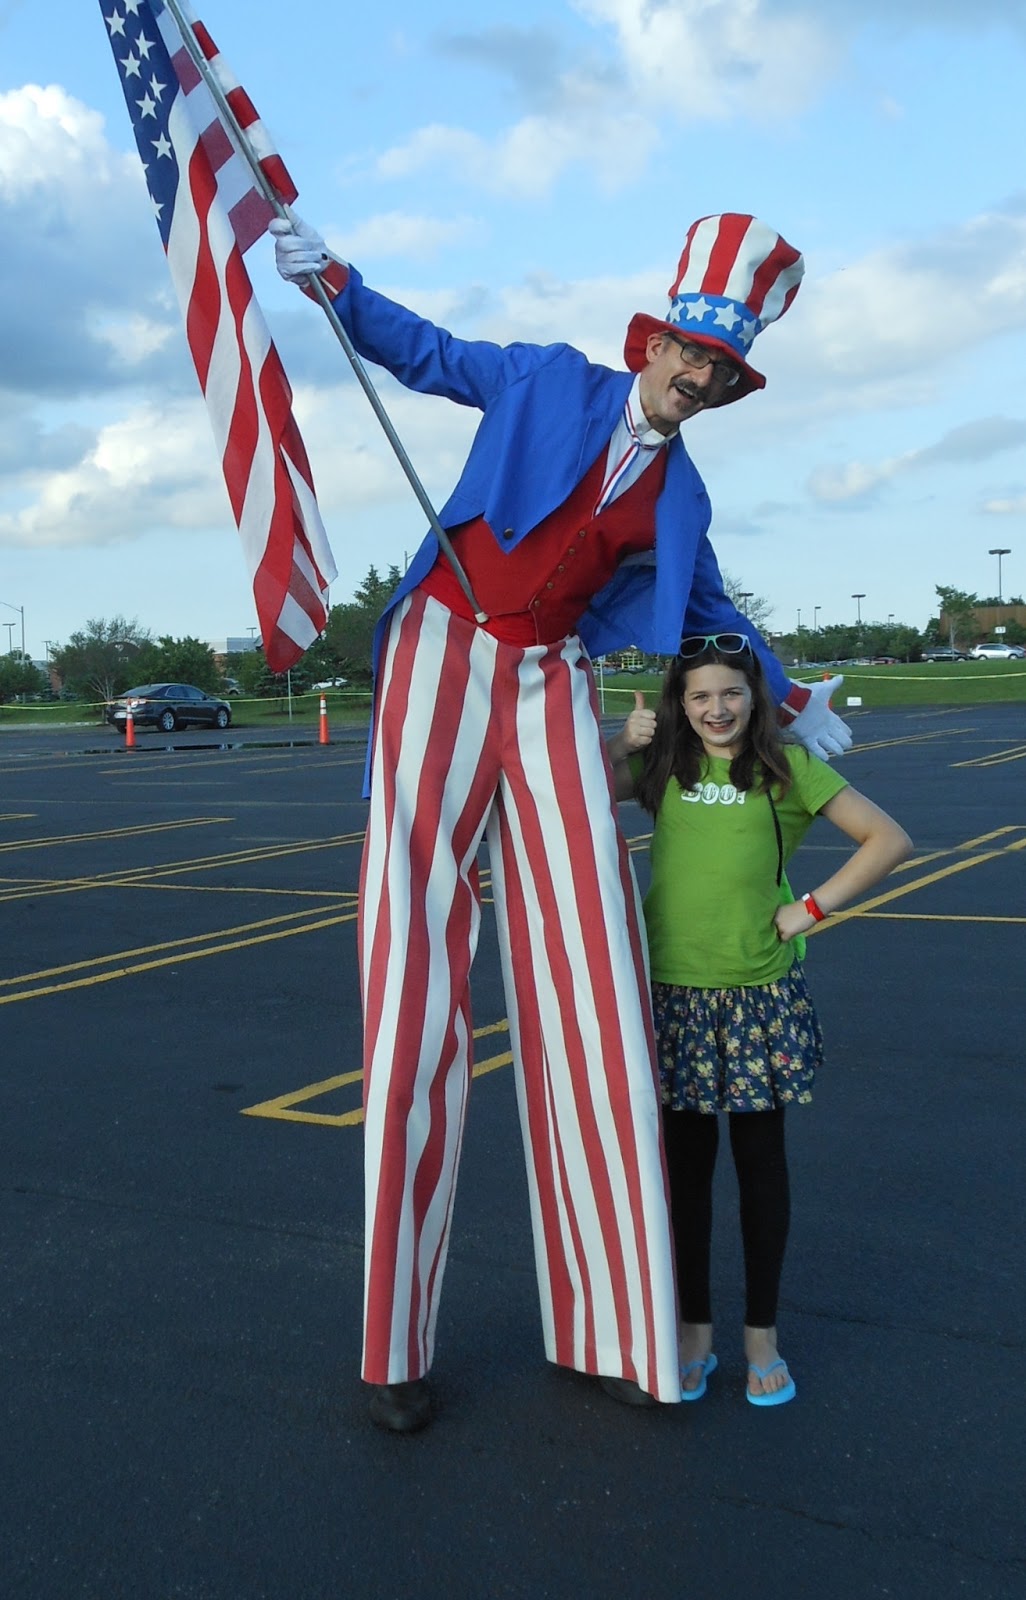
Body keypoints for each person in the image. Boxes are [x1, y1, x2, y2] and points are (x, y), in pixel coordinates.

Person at [271, 209, 853, 1432]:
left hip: (548, 678)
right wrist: (336, 280)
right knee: (412, 988)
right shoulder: (545, 380)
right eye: (694, 352)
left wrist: (790, 696)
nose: (701, 377)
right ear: (656, 340)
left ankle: (616, 1327)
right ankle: (393, 1348)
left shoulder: (682, 489)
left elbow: (708, 607)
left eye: (725, 371)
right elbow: (423, 352)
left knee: (596, 985)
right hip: (440, 644)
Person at [607, 635, 910, 1405]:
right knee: (686, 1176)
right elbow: (579, 794)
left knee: (760, 1171)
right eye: (700, 695)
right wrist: (623, 744)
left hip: (753, 998)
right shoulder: (664, 766)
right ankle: (694, 1334)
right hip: (673, 993)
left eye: (732, 694)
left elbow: (888, 839)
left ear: (755, 699)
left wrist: (808, 910)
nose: (717, 709)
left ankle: (761, 1338)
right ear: (681, 702)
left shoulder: (786, 769)